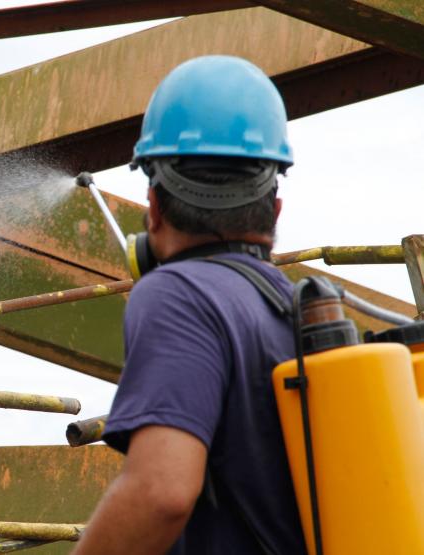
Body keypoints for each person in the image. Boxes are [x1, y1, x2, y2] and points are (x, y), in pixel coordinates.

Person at [72, 56, 308, 555]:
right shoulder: (298, 309)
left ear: (154, 208)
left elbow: (161, 493)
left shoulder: (178, 294)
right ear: (275, 210)